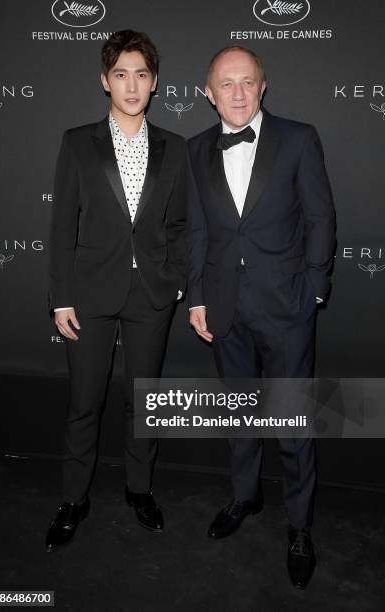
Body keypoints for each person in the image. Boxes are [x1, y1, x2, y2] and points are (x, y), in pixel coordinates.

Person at [186, 45, 336, 589]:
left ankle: (299, 526)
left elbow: (320, 215)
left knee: (293, 424)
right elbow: (199, 230)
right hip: (225, 309)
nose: (238, 93)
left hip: (287, 308)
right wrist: (198, 297)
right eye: (226, 83)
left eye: (247, 82)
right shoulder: (197, 149)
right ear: (209, 93)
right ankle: (245, 497)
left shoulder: (298, 138)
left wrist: (315, 287)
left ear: (263, 86)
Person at [46, 30, 186, 551]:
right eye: (121, 74)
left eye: (142, 74)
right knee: (85, 402)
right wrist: (61, 297)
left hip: (151, 294)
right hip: (88, 296)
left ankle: (139, 489)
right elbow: (62, 226)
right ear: (105, 81)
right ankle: (73, 498)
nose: (132, 85)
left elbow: (179, 225)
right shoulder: (76, 142)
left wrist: (173, 281)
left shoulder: (175, 148)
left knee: (143, 402)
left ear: (154, 83)